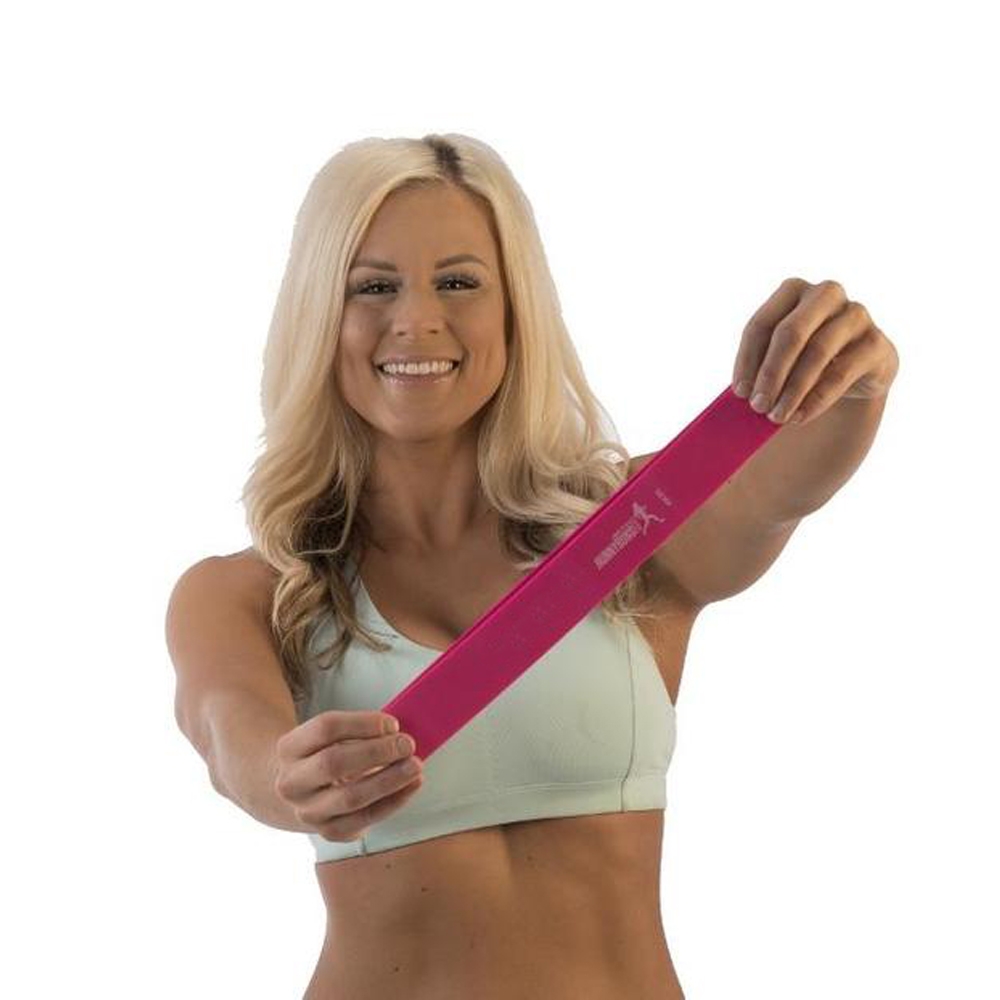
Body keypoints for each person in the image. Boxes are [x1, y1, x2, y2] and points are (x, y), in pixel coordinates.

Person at [166, 133, 794, 999]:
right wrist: (287, 776)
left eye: (458, 282)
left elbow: (783, 487)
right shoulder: (245, 592)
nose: (416, 319)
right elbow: (224, 729)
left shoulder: (629, 529)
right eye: (372, 286)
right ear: (319, 315)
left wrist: (851, 383)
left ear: (514, 309)